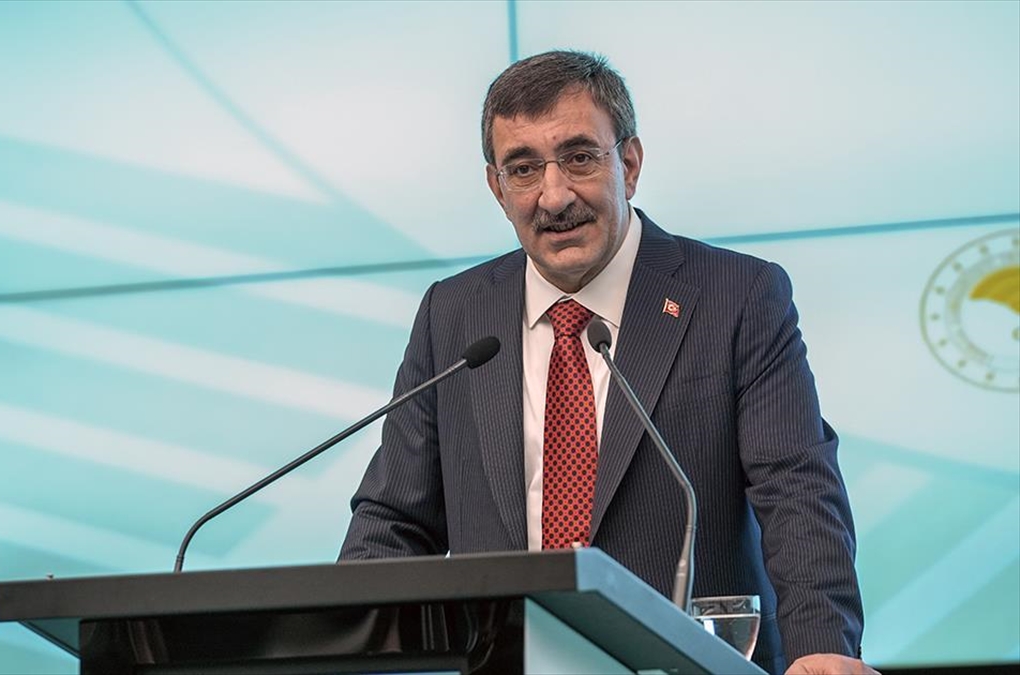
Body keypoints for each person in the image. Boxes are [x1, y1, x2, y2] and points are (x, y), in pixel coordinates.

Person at [340, 50, 873, 675]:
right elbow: (396, 520)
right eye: (523, 169)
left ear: (630, 163)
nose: (554, 196)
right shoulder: (454, 314)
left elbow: (796, 489)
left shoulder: (737, 296)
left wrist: (822, 644)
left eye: (579, 158)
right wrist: (346, 651)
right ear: (496, 187)